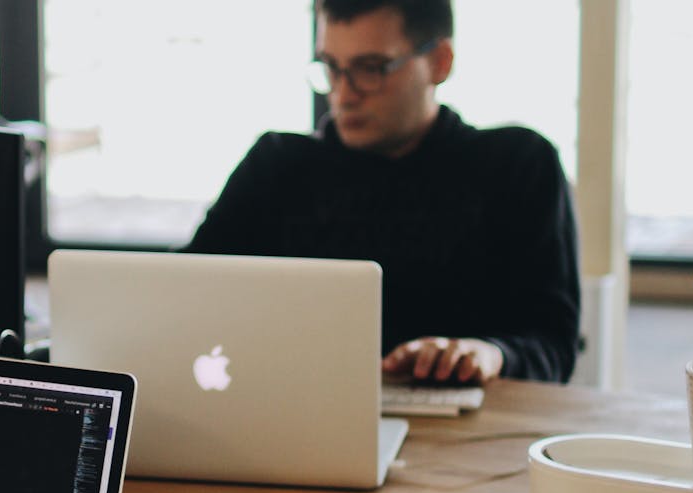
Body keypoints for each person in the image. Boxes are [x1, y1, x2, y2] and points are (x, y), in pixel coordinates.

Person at [183, 0, 579, 384]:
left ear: (440, 62)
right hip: (296, 415)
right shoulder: (276, 165)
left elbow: (553, 345)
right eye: (331, 68)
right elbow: (182, 293)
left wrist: (491, 354)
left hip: (468, 432)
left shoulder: (517, 165)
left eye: (371, 68)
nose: (343, 93)